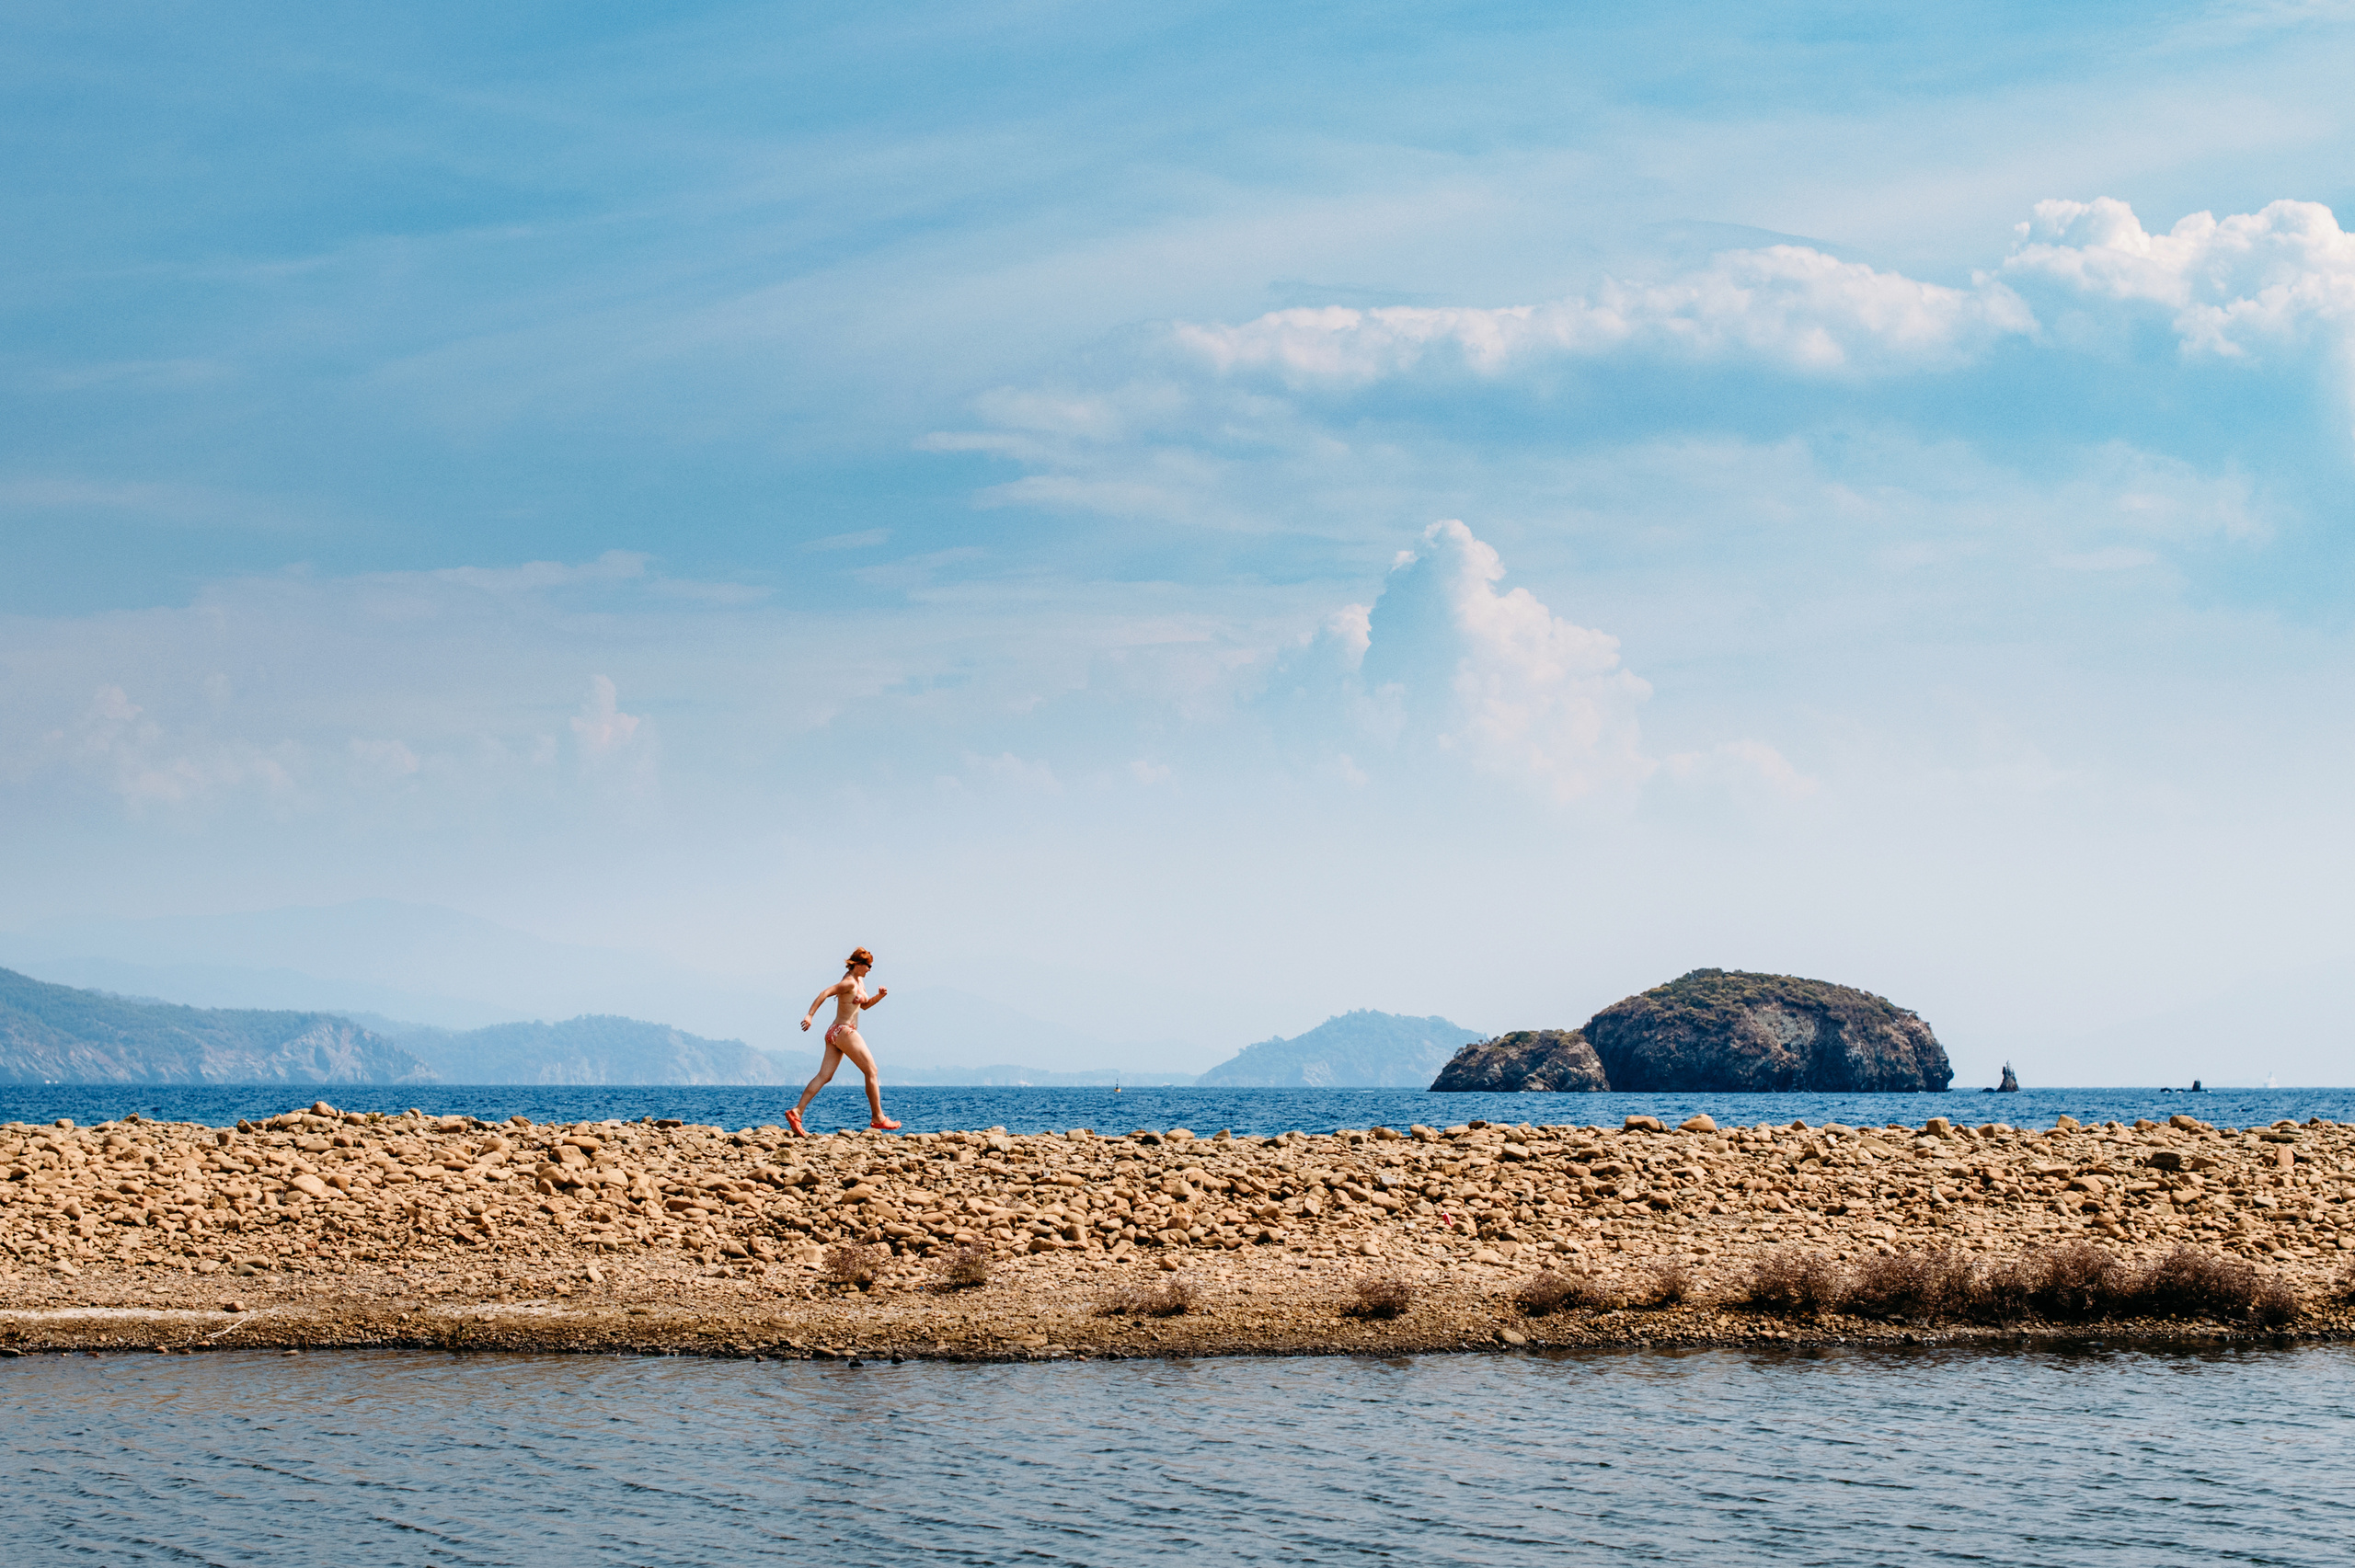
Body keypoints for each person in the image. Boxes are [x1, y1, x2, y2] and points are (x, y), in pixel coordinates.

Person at [788, 946, 898, 1134]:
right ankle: (878, 1117)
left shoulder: (859, 981)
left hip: (834, 1033)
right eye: (868, 965)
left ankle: (796, 1112)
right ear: (857, 964)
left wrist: (879, 997)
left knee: (824, 1076)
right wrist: (809, 1015)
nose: (870, 969)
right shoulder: (848, 982)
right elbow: (825, 993)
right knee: (871, 1070)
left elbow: (863, 1006)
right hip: (844, 1031)